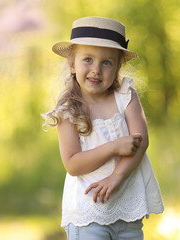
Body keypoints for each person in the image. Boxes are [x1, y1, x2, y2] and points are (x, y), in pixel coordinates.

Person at [42, 16, 164, 240]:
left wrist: (117, 176)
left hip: (127, 210)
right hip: (88, 214)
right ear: (72, 63)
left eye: (106, 62)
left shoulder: (125, 94)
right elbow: (72, 164)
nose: (96, 69)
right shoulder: (68, 110)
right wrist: (114, 147)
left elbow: (141, 140)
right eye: (87, 59)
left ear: (118, 66)